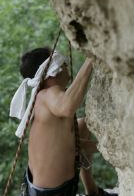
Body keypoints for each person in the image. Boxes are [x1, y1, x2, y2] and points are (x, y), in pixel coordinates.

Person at [10, 47, 118, 196]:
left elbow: (69, 145)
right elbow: (67, 107)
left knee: (82, 125)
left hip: (43, 190)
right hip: (51, 193)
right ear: (54, 70)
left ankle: (92, 191)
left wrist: (112, 148)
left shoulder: (41, 100)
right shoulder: (47, 94)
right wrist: (91, 59)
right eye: (63, 63)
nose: (67, 66)